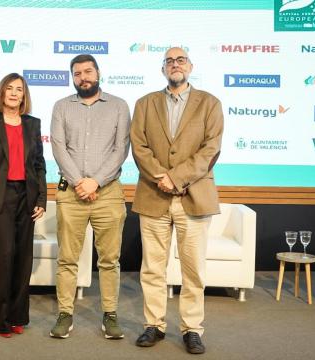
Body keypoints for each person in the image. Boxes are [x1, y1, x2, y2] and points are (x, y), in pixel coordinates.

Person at [130, 47, 224, 354]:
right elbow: (139, 147)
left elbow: (210, 149)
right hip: (154, 194)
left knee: (193, 269)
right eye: (169, 61)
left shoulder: (209, 103)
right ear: (163, 69)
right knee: (152, 268)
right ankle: (153, 325)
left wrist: (177, 177)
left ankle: (192, 329)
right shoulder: (145, 104)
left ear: (190, 65)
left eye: (180, 59)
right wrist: (162, 177)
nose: (175, 64)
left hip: (193, 197)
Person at [49, 54, 131, 339]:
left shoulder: (119, 106)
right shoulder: (61, 107)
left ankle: (110, 314)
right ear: (72, 78)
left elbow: (121, 150)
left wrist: (95, 182)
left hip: (108, 194)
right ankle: (65, 313)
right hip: (71, 194)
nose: (83, 77)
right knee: (67, 259)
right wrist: (79, 182)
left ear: (98, 73)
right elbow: (59, 148)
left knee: (109, 260)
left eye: (88, 71)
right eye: (77, 73)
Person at [0, 73, 47, 338]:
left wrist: (42, 199)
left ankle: (18, 316)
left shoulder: (32, 124)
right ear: (2, 93)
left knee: (23, 259)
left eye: (19, 89)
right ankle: (1, 320)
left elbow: (39, 165)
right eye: (9, 88)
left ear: (24, 95)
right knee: (4, 257)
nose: (14, 93)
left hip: (26, 197)